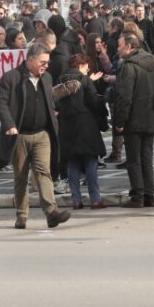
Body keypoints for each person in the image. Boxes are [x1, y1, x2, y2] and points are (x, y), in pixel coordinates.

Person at [0, 43, 71, 229]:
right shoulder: (11, 78)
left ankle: (52, 213)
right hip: (19, 136)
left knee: (43, 173)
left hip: (42, 135)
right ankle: (21, 215)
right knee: (21, 177)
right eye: (42, 62)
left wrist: (53, 111)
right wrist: (9, 124)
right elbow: (1, 103)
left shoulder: (47, 78)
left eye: (48, 62)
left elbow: (48, 99)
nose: (46, 66)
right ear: (30, 60)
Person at [113, 32, 154, 208]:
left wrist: (119, 122)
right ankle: (149, 195)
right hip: (150, 117)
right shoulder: (149, 62)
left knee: (134, 159)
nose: (117, 49)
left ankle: (137, 196)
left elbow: (125, 97)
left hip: (134, 119)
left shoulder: (129, 66)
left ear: (129, 46)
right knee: (146, 157)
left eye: (120, 45)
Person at [57, 54, 109, 210]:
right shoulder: (84, 80)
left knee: (72, 162)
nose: (88, 69)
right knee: (90, 161)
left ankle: (76, 200)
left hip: (67, 126)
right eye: (86, 66)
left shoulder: (60, 81)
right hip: (86, 126)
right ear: (80, 65)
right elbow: (93, 102)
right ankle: (95, 199)